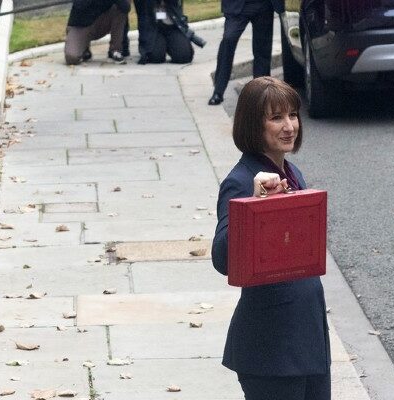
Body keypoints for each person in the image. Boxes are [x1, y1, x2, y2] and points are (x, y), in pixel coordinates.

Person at [211, 77, 330, 400]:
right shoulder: (240, 181)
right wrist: (253, 203)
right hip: (272, 347)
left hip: (306, 339)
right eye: (276, 118)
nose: (289, 126)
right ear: (253, 124)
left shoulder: (292, 172)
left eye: (292, 115)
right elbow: (222, 259)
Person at [208, 0, 284, 105]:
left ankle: (261, 93)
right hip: (237, 6)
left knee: (262, 50)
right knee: (228, 39)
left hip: (264, 5)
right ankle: (218, 91)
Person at [64, 0, 131, 65]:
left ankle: (115, 50)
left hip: (101, 22)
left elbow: (126, 7)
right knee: (72, 58)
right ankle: (84, 49)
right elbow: (79, 5)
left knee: (120, 8)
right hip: (80, 25)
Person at [133, 0, 198, 64]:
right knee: (155, 57)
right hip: (152, 26)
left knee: (184, 56)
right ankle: (160, 45)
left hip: (172, 24)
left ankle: (171, 44)